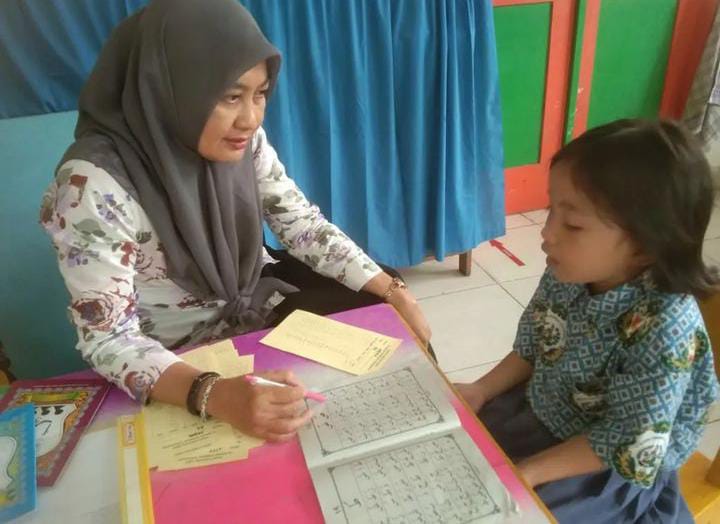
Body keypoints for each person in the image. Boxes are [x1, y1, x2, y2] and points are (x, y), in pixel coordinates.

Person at [40, 0, 431, 443]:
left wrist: (393, 292)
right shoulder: (91, 187)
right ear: (171, 88)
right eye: (230, 96)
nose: (250, 118)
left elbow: (299, 222)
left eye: (260, 94)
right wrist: (214, 395)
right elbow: (109, 340)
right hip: (175, 355)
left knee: (378, 309)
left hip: (250, 301)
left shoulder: (242, 140)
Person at [455, 119, 719, 522]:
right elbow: (533, 345)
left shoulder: (666, 328)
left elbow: (629, 440)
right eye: (550, 211)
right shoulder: (569, 270)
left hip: (605, 465)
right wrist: (481, 389)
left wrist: (531, 469)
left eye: (573, 224)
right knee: (452, 461)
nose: (547, 234)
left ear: (648, 245)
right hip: (542, 408)